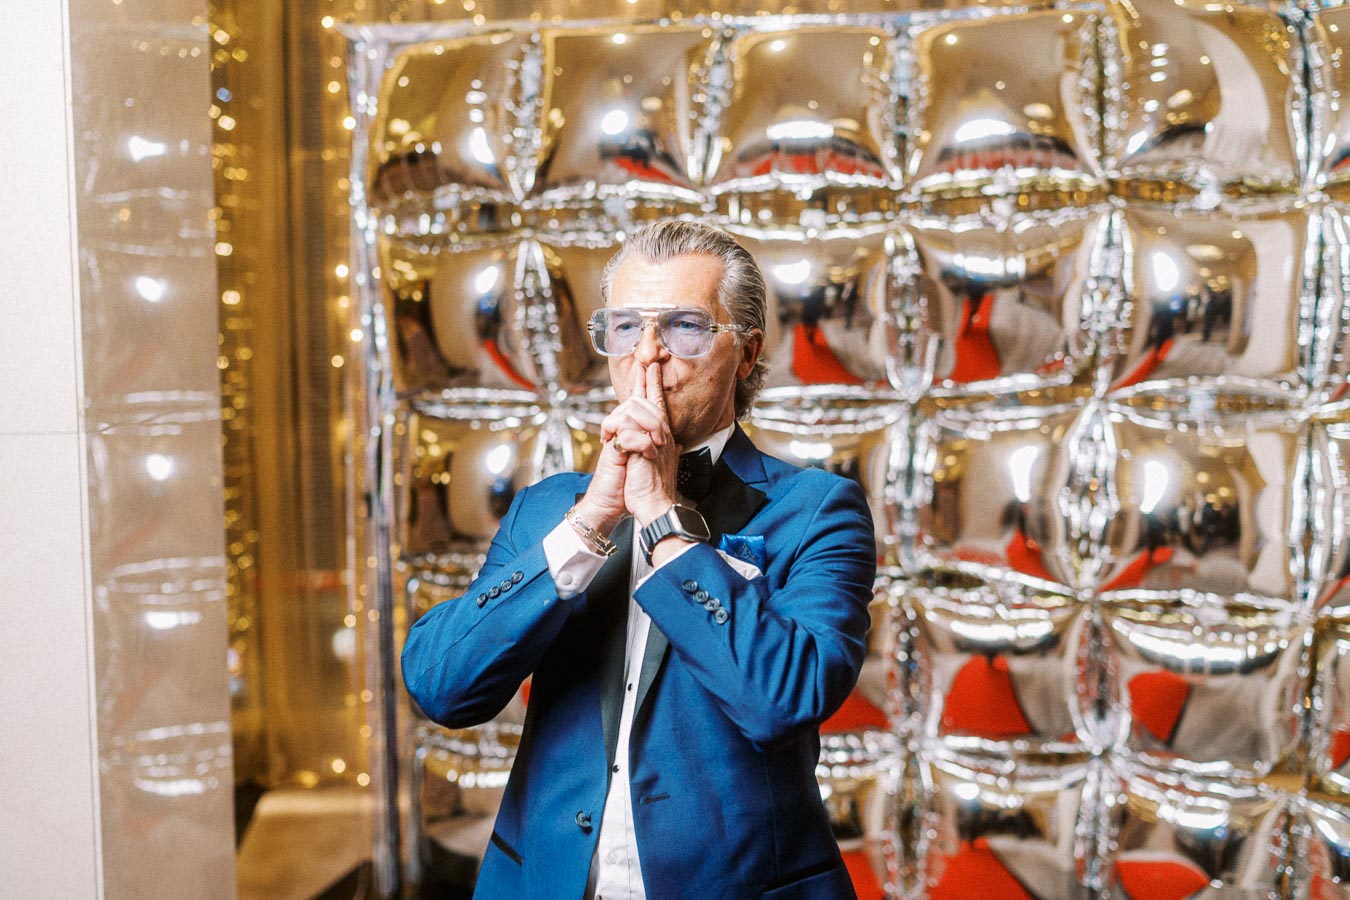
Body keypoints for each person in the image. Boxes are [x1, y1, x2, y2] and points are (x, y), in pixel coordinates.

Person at [402, 220, 877, 899]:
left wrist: (661, 514)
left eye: (684, 326)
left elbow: (782, 700)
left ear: (746, 354)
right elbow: (441, 685)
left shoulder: (817, 510)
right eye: (626, 328)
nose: (647, 357)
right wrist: (590, 523)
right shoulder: (548, 509)